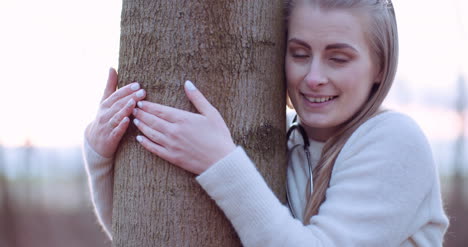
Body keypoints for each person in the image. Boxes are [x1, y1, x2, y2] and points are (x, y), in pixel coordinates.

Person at [83, 0, 449, 246]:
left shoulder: (395, 141)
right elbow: (141, 232)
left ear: (380, 68)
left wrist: (220, 163)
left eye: (338, 58)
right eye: (300, 53)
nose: (314, 77)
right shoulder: (287, 142)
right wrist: (100, 154)